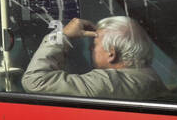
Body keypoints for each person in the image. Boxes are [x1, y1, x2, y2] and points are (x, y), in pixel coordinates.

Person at [22, 16, 167, 100]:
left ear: (111, 53)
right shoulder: (147, 76)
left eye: (94, 44)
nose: (90, 48)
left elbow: (35, 81)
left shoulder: (109, 82)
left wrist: (62, 36)